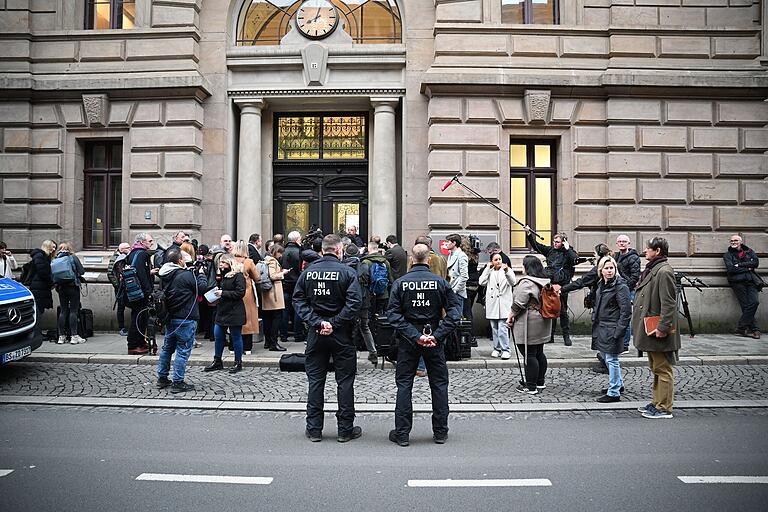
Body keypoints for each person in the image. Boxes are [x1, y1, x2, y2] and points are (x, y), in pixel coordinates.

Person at [386, 243, 461, 447]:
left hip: (408, 340)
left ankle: (402, 434)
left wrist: (414, 336)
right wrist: (437, 335)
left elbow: (392, 314)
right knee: (438, 385)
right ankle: (440, 432)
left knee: (404, 386)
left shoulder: (401, 283)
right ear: (428, 259)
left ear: (412, 259)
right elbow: (455, 312)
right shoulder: (440, 282)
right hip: (434, 337)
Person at [293, 234, 363, 443]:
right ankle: (345, 429)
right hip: (341, 334)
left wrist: (318, 322)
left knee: (315, 381)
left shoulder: (309, 272)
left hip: (316, 333)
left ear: (322, 250)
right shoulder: (348, 272)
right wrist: (334, 323)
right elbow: (354, 303)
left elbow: (299, 301)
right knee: (345, 382)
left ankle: (314, 428)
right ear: (339, 250)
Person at [633, 237, 680, 419]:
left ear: (657, 251)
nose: (645, 251)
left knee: (663, 369)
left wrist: (662, 327)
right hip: (650, 328)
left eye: (648, 248)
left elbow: (669, 304)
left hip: (658, 329)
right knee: (656, 367)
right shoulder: (654, 269)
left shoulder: (664, 271)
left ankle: (664, 408)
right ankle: (656, 402)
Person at [156, 248, 208, 393]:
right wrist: (202, 274)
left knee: (167, 349)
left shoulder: (165, 274)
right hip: (185, 318)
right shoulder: (184, 275)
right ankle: (178, 382)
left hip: (170, 318)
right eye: (184, 258)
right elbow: (201, 288)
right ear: (179, 261)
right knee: (182, 351)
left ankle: (162, 378)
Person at [559, 243, 613, 373]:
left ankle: (607, 363)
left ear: (600, 255)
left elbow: (582, 282)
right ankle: (605, 358)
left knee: (602, 334)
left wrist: (563, 289)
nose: (593, 256)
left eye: (595, 253)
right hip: (605, 304)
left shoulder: (599, 269)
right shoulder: (609, 265)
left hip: (602, 306)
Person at [507, 255, 553, 395]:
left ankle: (531, 386)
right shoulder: (544, 281)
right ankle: (540, 382)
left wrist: (510, 316)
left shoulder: (527, 283)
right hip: (542, 321)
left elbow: (519, 303)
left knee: (529, 354)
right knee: (539, 352)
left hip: (530, 322)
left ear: (527, 267)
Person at [524, 227, 578, 346]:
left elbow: (575, 260)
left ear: (564, 242)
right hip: (550, 284)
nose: (555, 244)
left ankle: (566, 336)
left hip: (562, 286)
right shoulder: (550, 251)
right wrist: (528, 234)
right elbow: (536, 245)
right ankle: (550, 336)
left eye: (557, 242)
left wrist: (568, 248)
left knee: (562, 310)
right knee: (550, 308)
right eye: (554, 241)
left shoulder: (569, 252)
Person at [592, 256, 632, 403]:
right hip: (602, 327)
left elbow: (626, 311)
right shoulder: (602, 284)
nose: (609, 271)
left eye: (612, 268)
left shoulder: (620, 286)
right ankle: (618, 384)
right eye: (606, 268)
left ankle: (614, 392)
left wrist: (619, 331)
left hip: (612, 328)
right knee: (606, 358)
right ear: (601, 270)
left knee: (612, 359)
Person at [204, 253, 247, 373]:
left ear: (230, 262)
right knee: (218, 335)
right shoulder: (223, 276)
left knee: (236, 337)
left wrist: (223, 293)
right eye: (220, 262)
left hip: (234, 311)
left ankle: (238, 362)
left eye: (223, 262)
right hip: (222, 310)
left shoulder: (238, 276)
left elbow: (240, 293)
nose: (221, 264)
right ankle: (217, 360)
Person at [343, 244, 378, 364]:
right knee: (365, 326)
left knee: (349, 329)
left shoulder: (343, 267)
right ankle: (373, 352)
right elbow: (371, 281)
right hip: (364, 300)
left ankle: (351, 357)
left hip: (348, 301)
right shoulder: (364, 265)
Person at [479, 253, 516, 359]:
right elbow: (481, 282)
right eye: (496, 259)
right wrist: (487, 269)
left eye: (500, 259)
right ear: (492, 261)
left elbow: (513, 282)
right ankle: (496, 348)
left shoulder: (507, 270)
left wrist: (507, 271)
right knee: (494, 328)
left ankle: (505, 349)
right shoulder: (489, 271)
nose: (498, 261)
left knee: (503, 328)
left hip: (504, 303)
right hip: (493, 303)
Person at [724, 235, 761, 339]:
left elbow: (755, 263)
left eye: (735, 240)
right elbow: (731, 269)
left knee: (754, 302)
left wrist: (739, 265)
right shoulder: (728, 255)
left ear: (741, 241)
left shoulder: (749, 251)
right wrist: (748, 268)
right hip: (738, 282)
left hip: (751, 281)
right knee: (745, 306)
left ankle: (741, 327)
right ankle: (755, 329)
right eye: (731, 240)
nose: (733, 242)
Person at [125, 233, 156, 355]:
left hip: (134, 291)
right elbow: (142, 275)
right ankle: (134, 345)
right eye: (150, 240)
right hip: (140, 293)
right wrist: (149, 291)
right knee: (138, 318)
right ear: (142, 242)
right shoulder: (142, 254)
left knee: (139, 317)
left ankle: (140, 342)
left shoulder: (133, 252)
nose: (151, 243)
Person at [52, 242, 86, 344]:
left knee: (63, 311)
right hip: (72, 287)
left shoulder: (55, 260)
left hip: (61, 288)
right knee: (73, 311)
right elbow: (82, 271)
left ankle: (61, 336)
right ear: (70, 249)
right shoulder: (73, 258)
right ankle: (74, 336)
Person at [232, 241, 261, 354]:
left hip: (232, 292)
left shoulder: (230, 260)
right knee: (248, 319)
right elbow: (257, 277)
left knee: (233, 318)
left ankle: (232, 346)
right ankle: (247, 347)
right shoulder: (248, 262)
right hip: (246, 293)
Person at [614, 234, 641, 350]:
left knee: (626, 317)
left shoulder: (634, 257)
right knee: (619, 316)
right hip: (618, 290)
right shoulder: (616, 257)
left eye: (624, 241)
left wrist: (625, 289)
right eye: (619, 241)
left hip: (628, 291)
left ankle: (625, 345)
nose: (622, 243)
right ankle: (620, 344)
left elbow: (635, 277)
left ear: (628, 244)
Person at [261, 244, 289, 351]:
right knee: (276, 318)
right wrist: (283, 273)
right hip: (274, 294)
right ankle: (273, 343)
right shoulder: (272, 261)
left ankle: (268, 342)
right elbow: (273, 275)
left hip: (268, 294)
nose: (281, 255)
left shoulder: (266, 259)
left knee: (268, 318)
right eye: (280, 253)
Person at [27, 239, 56, 339]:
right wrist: (51, 282)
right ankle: (36, 333)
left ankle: (37, 332)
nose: (54, 249)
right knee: (38, 311)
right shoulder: (40, 256)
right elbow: (43, 272)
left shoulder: (43, 257)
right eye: (53, 246)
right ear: (47, 246)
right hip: (39, 287)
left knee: (39, 310)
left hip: (40, 287)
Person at [281, 231, 304, 344]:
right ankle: (298, 334)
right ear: (296, 240)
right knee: (297, 309)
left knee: (285, 310)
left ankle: (283, 334)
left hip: (285, 283)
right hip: (296, 283)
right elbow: (299, 268)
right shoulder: (299, 251)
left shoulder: (283, 251)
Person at [361, 240, 393, 316]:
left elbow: (364, 279)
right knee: (380, 316)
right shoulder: (385, 262)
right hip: (383, 294)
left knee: (369, 316)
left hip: (370, 294)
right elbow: (390, 278)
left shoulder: (366, 262)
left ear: (369, 249)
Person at [107, 242, 131, 336]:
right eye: (128, 248)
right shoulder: (115, 258)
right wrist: (117, 285)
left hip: (125, 286)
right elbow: (110, 273)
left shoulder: (125, 257)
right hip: (120, 287)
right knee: (121, 307)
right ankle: (121, 328)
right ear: (122, 250)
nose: (130, 249)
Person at [461, 236, 481, 330]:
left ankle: (470, 336)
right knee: (469, 310)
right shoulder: (475, 254)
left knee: (467, 312)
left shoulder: (464, 256)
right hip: (475, 285)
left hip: (467, 285)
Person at [445, 233, 469, 311]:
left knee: (456, 317)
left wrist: (455, 290)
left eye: (448, 241)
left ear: (454, 243)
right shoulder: (450, 255)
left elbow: (464, 276)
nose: (446, 244)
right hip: (450, 290)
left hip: (457, 292)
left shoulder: (461, 255)